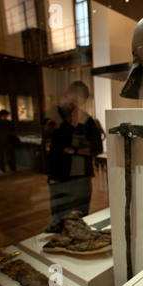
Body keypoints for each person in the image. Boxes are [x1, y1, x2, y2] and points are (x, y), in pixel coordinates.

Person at [45, 81, 103, 228]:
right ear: (66, 95)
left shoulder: (87, 120)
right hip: (60, 178)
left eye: (80, 103)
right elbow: (55, 145)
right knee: (60, 221)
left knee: (81, 218)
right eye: (74, 101)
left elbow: (96, 147)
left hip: (81, 178)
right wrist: (72, 126)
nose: (76, 106)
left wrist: (72, 150)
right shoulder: (52, 115)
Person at [0, 109, 17, 174]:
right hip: (6, 140)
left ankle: (2, 169)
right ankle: (11, 168)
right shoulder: (6, 122)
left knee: (1, 155)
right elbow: (12, 130)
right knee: (8, 154)